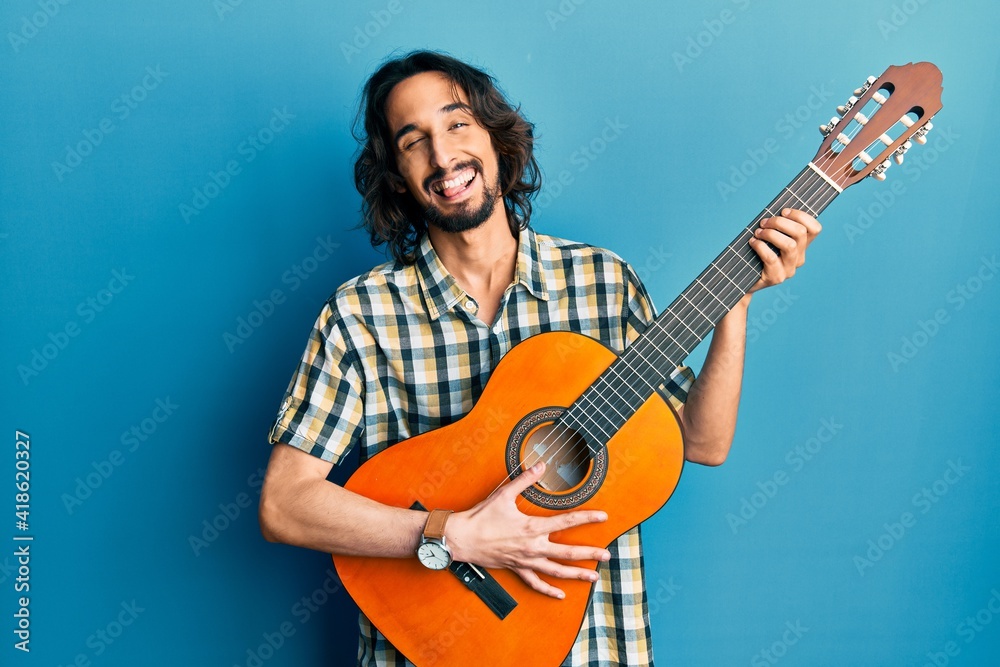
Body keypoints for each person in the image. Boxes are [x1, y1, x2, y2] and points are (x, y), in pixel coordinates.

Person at [259, 50, 821, 666]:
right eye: (413, 141)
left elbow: (702, 443)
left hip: (598, 647)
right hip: (426, 645)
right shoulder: (361, 313)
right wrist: (452, 535)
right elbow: (285, 504)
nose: (443, 157)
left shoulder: (603, 281)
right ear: (395, 173)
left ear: (498, 140)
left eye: (456, 124)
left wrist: (734, 300)